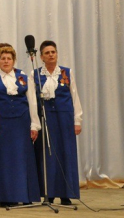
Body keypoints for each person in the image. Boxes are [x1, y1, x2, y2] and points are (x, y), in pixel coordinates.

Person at [0, 43, 40, 206]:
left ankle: (24, 195)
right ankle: (6, 196)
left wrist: (34, 125)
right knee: (4, 159)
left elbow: (32, 101)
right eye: (2, 58)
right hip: (2, 123)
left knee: (21, 158)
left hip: (21, 122)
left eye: (9, 58)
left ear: (14, 60)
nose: (6, 61)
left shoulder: (23, 75)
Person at [33, 40, 82, 205]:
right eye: (47, 53)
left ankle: (66, 194)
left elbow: (74, 96)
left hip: (65, 118)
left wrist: (77, 120)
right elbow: (32, 101)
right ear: (41, 57)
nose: (51, 55)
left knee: (65, 153)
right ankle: (49, 193)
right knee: (48, 155)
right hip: (46, 118)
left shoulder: (67, 72)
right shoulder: (35, 75)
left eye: (53, 52)